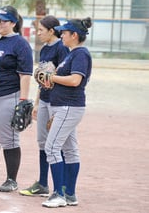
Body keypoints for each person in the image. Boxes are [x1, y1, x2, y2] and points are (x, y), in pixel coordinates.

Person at [41, 17, 93, 208]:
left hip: (69, 106)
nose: (61, 34)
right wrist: (51, 80)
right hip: (66, 106)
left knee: (52, 147)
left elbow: (75, 81)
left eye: (64, 32)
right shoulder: (72, 54)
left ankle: (58, 194)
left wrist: (51, 76)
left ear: (74, 35)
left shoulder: (80, 54)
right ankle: (70, 194)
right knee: (70, 150)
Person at [0, 6, 33, 193]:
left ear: (13, 23)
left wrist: (23, 100)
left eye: (3, 20)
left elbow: (25, 74)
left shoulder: (20, 44)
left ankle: (12, 179)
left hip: (8, 95)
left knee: (9, 139)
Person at [19, 15, 69, 197]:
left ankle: (61, 185)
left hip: (58, 101)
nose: (37, 33)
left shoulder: (61, 48)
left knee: (56, 143)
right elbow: (42, 79)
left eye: (41, 30)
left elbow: (62, 75)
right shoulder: (44, 49)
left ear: (52, 31)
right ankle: (42, 183)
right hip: (45, 100)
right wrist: (38, 102)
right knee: (42, 142)